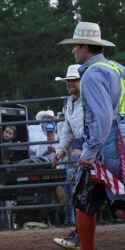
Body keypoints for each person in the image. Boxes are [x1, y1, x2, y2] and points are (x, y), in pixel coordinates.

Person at [55, 21, 125, 250]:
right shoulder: (116, 68)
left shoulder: (92, 74)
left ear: (84, 46)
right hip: (121, 141)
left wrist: (90, 151)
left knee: (84, 198)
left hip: (106, 145)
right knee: (119, 198)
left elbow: (103, 117)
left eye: (75, 47)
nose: (73, 51)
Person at [52, 64, 83, 234]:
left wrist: (86, 151)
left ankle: (80, 233)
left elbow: (97, 127)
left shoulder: (89, 99)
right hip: (85, 146)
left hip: (94, 147)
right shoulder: (70, 102)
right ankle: (80, 232)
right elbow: (67, 130)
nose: (70, 83)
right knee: (81, 193)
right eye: (68, 81)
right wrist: (60, 151)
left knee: (114, 195)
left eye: (73, 80)